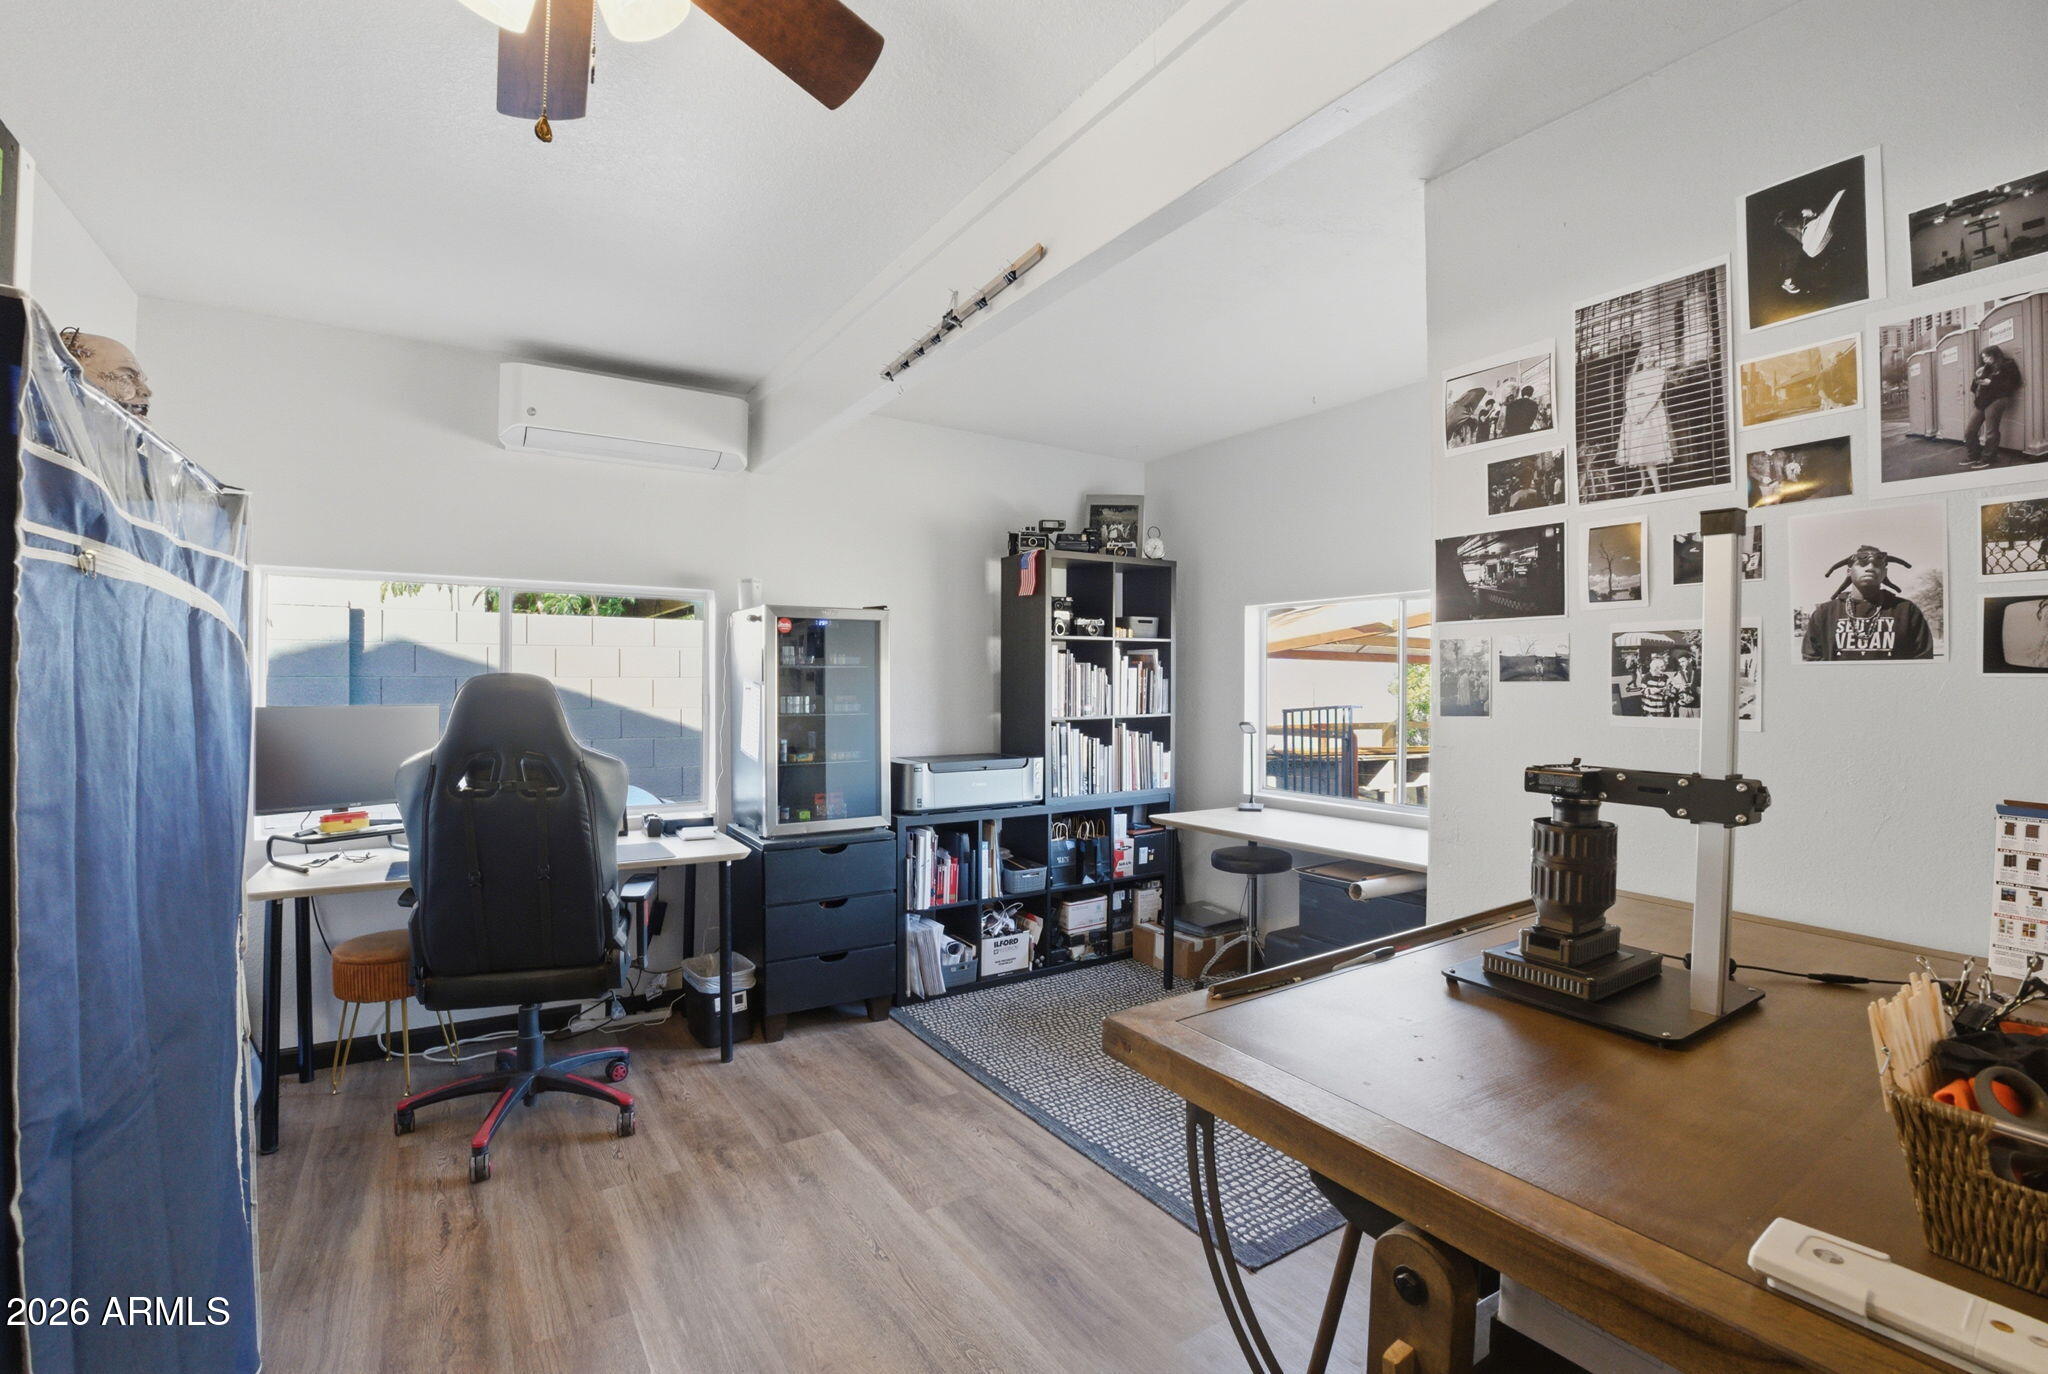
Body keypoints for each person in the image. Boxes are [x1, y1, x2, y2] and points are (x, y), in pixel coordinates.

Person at [1801, 544, 1935, 660]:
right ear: (1849, 571)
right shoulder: (1825, 613)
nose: (1870, 567)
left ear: (1884, 572)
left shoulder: (1907, 610)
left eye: (1877, 564)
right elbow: (1812, 658)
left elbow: (1922, 659)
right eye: (1862, 564)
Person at [1618, 343, 1674, 494]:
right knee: (1636, 450)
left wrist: (1643, 414)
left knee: (1646, 448)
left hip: (1651, 413)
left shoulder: (1659, 373)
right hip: (1634, 415)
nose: (1648, 359)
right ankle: (1644, 483)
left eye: (1651, 356)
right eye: (1645, 356)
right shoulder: (1634, 377)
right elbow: (1628, 396)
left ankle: (1657, 489)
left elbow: (1655, 393)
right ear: (1641, 359)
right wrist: (1632, 413)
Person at [1964, 344, 2024, 469]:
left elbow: (2014, 382)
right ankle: (1973, 455)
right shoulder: (1985, 368)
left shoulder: (2008, 364)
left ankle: (1988, 458)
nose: (1985, 360)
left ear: (1995, 354)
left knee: (1991, 431)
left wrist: (1991, 382)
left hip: (1997, 399)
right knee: (1970, 430)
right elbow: (1973, 388)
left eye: (1987, 357)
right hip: (1982, 401)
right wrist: (1977, 377)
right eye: (1983, 358)